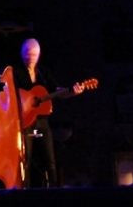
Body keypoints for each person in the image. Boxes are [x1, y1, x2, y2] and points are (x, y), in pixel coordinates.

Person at [12, 37, 84, 188]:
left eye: (33, 55)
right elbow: (11, 96)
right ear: (21, 53)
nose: (30, 57)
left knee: (50, 160)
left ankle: (54, 190)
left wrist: (72, 92)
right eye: (27, 54)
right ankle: (24, 190)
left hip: (42, 121)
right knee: (26, 160)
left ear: (38, 55)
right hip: (25, 122)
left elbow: (56, 91)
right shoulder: (15, 72)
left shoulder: (43, 72)